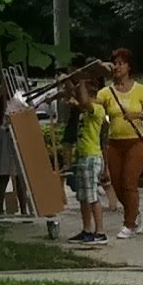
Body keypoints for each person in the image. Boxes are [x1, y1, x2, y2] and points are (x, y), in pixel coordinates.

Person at [98, 46, 143, 239]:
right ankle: (134, 210)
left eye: (121, 63)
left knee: (129, 181)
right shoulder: (106, 92)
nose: (117, 67)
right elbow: (94, 108)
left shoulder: (140, 90)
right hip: (114, 143)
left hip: (135, 141)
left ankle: (129, 223)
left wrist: (137, 114)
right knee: (117, 184)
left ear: (129, 67)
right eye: (115, 63)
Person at [56, 68, 109, 245]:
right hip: (83, 156)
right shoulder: (84, 108)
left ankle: (100, 232)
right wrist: (69, 81)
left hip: (91, 157)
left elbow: (84, 100)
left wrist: (80, 82)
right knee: (83, 197)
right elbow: (74, 95)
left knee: (92, 197)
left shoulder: (97, 108)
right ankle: (87, 230)